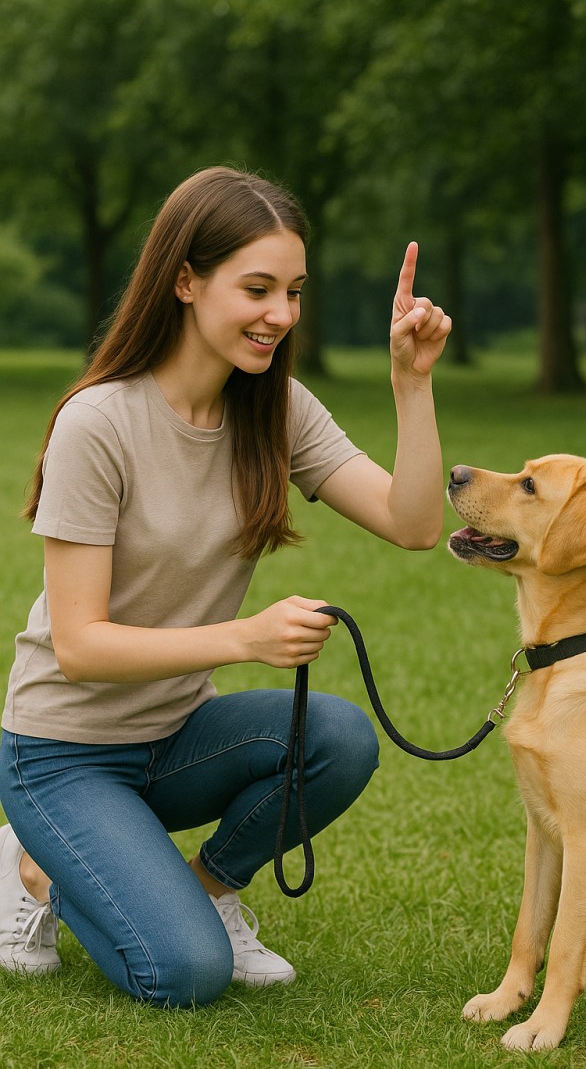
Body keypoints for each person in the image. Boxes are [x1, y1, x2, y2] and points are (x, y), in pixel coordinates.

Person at [0, 167, 450, 1007]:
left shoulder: (275, 410)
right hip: (62, 755)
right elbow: (80, 646)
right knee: (184, 973)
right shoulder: (99, 423)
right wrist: (245, 637)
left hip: (174, 738)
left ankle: (207, 889)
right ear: (185, 281)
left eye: (294, 292)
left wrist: (412, 382)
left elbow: (414, 523)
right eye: (257, 288)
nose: (281, 314)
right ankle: (32, 866)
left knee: (338, 738)